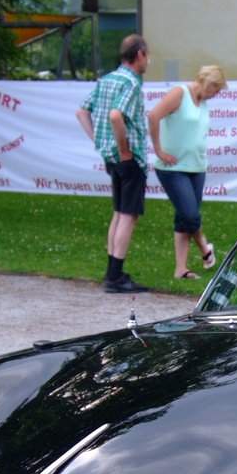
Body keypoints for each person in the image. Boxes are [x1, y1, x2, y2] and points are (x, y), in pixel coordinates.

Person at [77, 34, 152, 294]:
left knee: (119, 213)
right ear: (140, 54)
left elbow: (82, 111)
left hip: (111, 158)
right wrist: (123, 149)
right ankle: (116, 276)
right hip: (129, 158)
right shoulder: (131, 83)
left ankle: (112, 271)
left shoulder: (107, 79)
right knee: (128, 216)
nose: (148, 61)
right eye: (147, 55)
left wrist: (99, 141)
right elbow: (115, 115)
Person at [149, 64, 227, 280]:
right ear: (208, 83)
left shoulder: (202, 103)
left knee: (183, 219)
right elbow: (154, 116)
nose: (216, 94)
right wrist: (158, 150)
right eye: (216, 89)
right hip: (173, 168)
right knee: (191, 216)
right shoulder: (179, 94)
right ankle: (205, 249)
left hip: (197, 167)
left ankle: (181, 269)